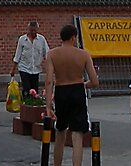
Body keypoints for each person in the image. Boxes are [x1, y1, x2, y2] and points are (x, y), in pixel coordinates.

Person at [43, 24, 99, 166]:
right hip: (77, 90)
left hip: (61, 90)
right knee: (77, 134)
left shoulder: (52, 54)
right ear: (73, 37)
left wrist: (48, 105)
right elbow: (95, 81)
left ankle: (57, 164)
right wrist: (83, 84)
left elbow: (49, 81)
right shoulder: (83, 54)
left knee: (60, 131)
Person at [10, 20, 49, 96]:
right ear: (28, 29)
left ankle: (33, 105)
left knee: (35, 90)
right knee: (27, 88)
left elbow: (46, 54)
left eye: (35, 30)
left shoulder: (41, 40)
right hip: (24, 67)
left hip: (36, 69)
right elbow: (17, 54)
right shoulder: (22, 39)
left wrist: (49, 67)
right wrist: (13, 69)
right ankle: (26, 103)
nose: (33, 32)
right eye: (31, 30)